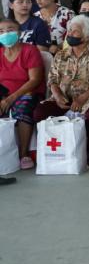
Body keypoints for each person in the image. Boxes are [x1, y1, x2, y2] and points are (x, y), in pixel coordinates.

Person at [31, 15, 89, 160]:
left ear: (87, 36)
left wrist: (83, 98)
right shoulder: (61, 55)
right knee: (40, 112)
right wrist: (57, 96)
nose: (69, 34)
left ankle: (87, 151)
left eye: (75, 31)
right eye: (69, 30)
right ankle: (58, 149)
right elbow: (52, 79)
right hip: (65, 96)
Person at [0, 17, 45, 169]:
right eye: (1, 31)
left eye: (10, 30)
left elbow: (34, 80)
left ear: (19, 33)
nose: (5, 34)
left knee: (23, 107)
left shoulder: (30, 50)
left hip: (27, 91)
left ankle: (24, 154)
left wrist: (11, 98)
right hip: (4, 93)